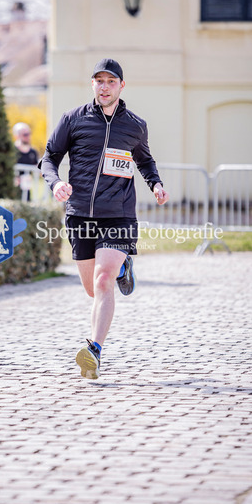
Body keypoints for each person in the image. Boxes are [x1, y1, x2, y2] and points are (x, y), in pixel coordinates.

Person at [39, 58, 169, 379]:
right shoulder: (73, 119)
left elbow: (145, 160)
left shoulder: (135, 125)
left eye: (111, 81)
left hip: (118, 215)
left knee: (102, 280)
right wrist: (56, 183)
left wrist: (156, 184)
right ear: (92, 84)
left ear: (121, 86)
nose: (105, 87)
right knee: (92, 289)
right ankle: (124, 267)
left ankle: (94, 350)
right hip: (80, 214)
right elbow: (49, 157)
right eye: (99, 81)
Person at [13, 122, 39, 200]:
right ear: (17, 136)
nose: (28, 136)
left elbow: (37, 167)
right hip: (13, 190)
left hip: (27, 188)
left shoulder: (33, 152)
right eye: (25, 134)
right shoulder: (12, 151)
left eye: (29, 134)